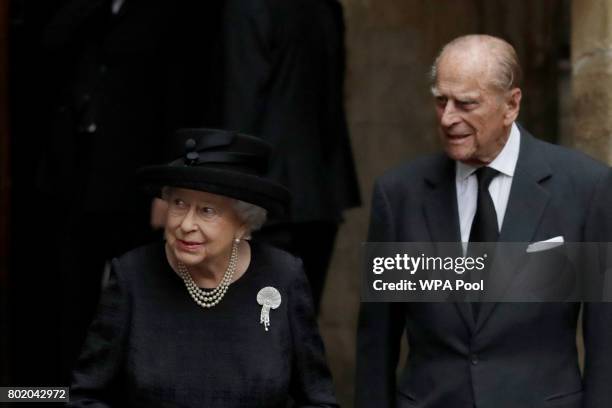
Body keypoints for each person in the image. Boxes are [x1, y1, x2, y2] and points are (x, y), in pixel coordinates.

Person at [356, 35, 612, 408]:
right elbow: (377, 342)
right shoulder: (400, 196)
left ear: (511, 105)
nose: (448, 118)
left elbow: (605, 340)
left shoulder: (585, 189)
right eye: (441, 101)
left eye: (466, 104)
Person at [69, 128, 339, 408]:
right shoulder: (133, 275)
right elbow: (86, 396)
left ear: (243, 223)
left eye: (207, 210)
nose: (186, 225)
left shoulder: (283, 276)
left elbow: (319, 400)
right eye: (179, 203)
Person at [223, 0, 361, 312]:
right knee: (302, 325)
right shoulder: (325, 6)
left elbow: (242, 103)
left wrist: (227, 192)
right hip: (322, 190)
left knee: (260, 329)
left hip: (266, 193)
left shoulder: (249, 7)